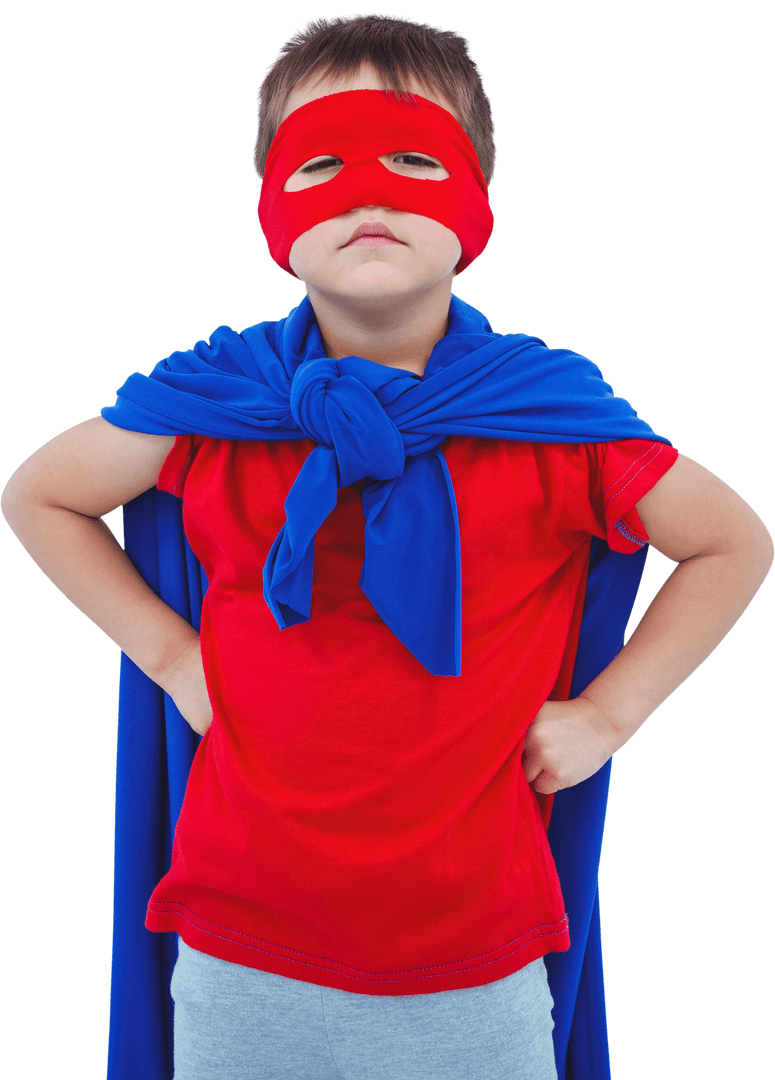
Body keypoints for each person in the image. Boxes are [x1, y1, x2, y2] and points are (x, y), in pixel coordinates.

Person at [1, 13, 772, 1080]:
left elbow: (732, 542)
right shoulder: (214, 404)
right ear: (275, 208)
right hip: (239, 946)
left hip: (473, 958)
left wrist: (608, 713)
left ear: (474, 205)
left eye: (415, 157)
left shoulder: (547, 419)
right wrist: (173, 656)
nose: (371, 192)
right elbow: (39, 495)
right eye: (324, 161)